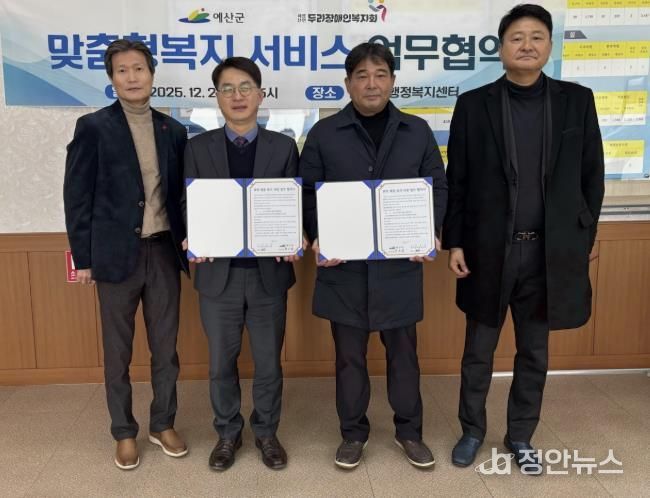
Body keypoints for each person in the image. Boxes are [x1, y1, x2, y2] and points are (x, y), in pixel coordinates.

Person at [442, 4, 605, 473]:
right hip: (489, 250)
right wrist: (456, 242)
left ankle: (520, 435)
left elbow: (591, 175)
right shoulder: (474, 105)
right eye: (517, 37)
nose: (527, 45)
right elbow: (459, 179)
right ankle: (472, 430)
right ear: (501, 48)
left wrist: (583, 236)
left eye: (537, 37)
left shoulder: (577, 101)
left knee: (534, 351)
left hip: (547, 254)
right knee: (478, 351)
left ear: (550, 46)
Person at [300, 42, 448, 469]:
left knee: (404, 355)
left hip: (399, 267)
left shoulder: (416, 131)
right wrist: (319, 235)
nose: (371, 83)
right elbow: (307, 191)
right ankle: (353, 434)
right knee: (349, 358)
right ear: (348, 84)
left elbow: (437, 186)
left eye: (380, 74)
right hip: (343, 268)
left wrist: (429, 231)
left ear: (393, 81)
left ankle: (409, 432)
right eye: (362, 76)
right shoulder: (325, 133)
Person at [63, 39, 189, 470]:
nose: (132, 77)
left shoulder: (173, 130)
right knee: (118, 351)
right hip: (115, 256)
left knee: (165, 348)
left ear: (152, 74)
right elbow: (77, 196)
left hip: (164, 252)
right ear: (111, 78)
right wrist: (83, 258)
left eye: (139, 68)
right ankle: (124, 431)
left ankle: (163, 423)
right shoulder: (93, 127)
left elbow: (181, 196)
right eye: (122, 70)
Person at [183, 57, 301, 471]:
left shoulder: (283, 147)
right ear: (216, 97)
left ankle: (267, 432)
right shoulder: (196, 148)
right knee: (221, 363)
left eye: (246, 87)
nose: (237, 96)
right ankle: (227, 433)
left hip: (269, 275)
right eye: (228, 89)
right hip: (218, 276)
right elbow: (187, 203)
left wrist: (295, 236)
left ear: (261, 95)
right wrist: (193, 236)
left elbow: (293, 203)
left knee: (269, 363)